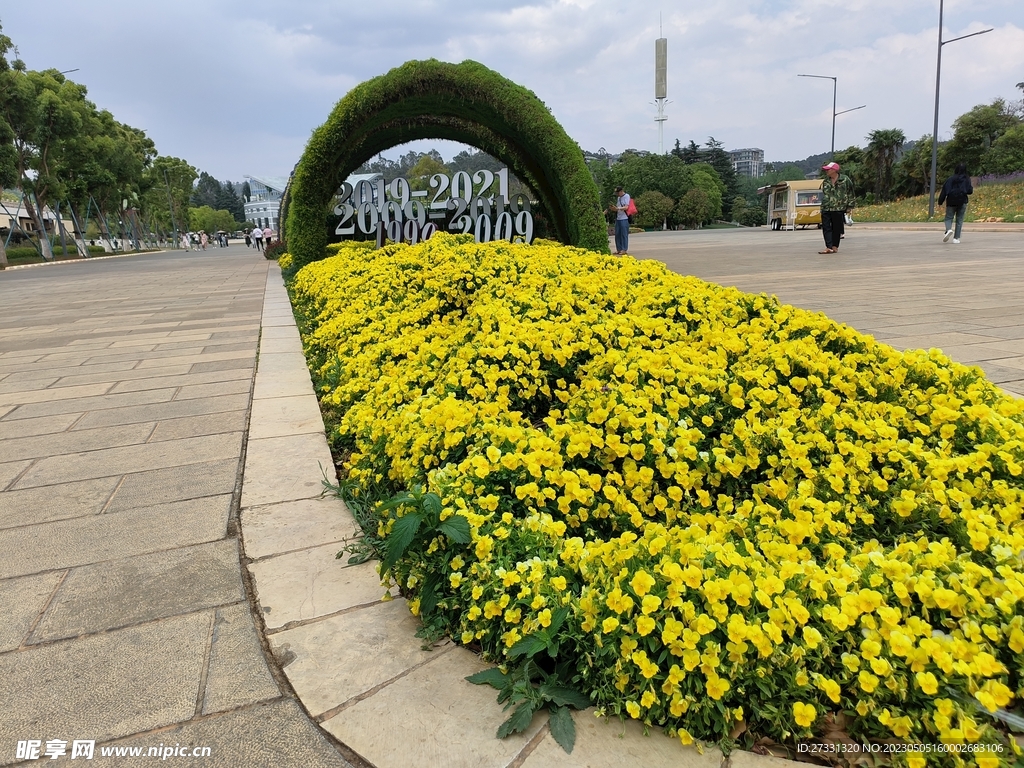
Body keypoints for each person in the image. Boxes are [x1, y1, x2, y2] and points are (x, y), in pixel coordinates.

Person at [818, 162, 855, 254]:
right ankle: (828, 246)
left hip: (839, 208)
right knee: (826, 227)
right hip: (826, 207)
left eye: (828, 169)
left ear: (834, 170)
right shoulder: (826, 181)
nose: (826, 171)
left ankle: (835, 246)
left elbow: (851, 193)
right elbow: (825, 193)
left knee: (836, 228)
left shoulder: (845, 180)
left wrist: (850, 206)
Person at [939, 163, 973, 244]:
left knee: (949, 217)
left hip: (951, 201)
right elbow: (970, 191)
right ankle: (956, 238)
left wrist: (940, 201)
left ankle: (948, 230)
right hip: (962, 201)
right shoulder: (967, 179)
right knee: (959, 220)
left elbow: (944, 191)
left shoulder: (950, 179)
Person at [610, 185, 631, 255]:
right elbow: (618, 207)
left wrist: (618, 208)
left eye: (618, 193)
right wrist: (614, 208)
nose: (617, 194)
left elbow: (626, 207)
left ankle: (624, 249)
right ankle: (619, 249)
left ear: (621, 191)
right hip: (618, 218)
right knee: (617, 234)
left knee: (624, 234)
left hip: (624, 218)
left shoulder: (626, 196)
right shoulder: (619, 198)